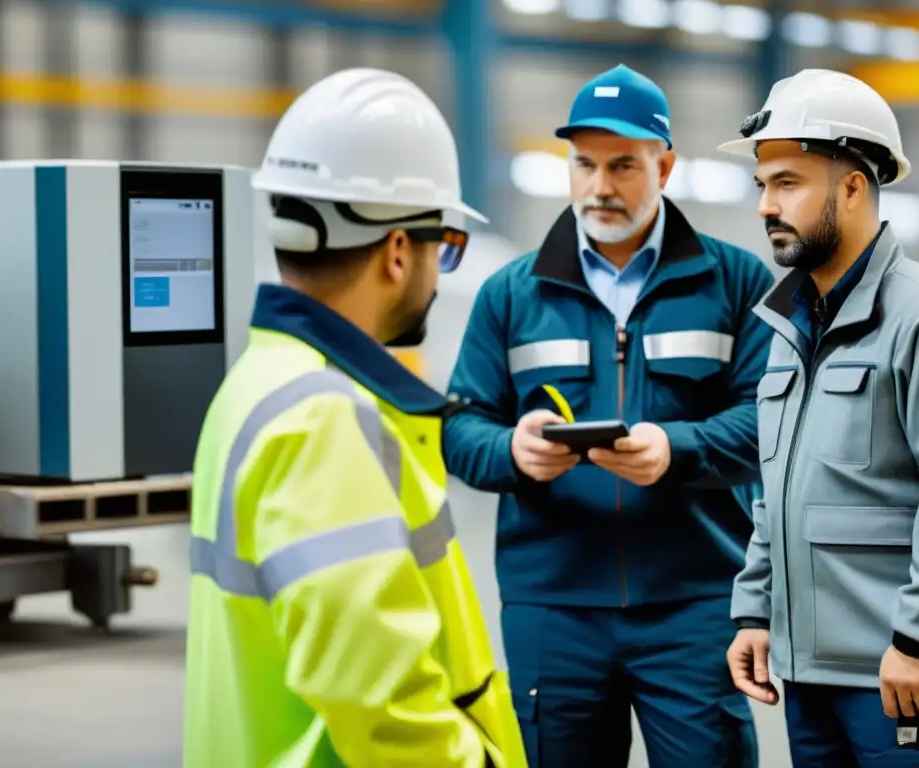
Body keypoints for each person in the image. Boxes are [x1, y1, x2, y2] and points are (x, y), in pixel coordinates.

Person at [182, 67, 527, 768]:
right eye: (444, 246)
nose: (439, 271)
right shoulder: (321, 421)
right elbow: (382, 702)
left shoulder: (256, 384)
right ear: (398, 251)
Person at [443, 63, 774, 768]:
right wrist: (513, 452)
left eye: (624, 165)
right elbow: (461, 426)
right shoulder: (510, 293)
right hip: (553, 607)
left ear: (666, 166)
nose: (600, 186)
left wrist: (676, 448)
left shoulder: (737, 282)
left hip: (693, 603)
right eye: (584, 164)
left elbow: (769, 423)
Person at [722, 68, 919, 767]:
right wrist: (756, 609)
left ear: (853, 186)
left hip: (904, 679)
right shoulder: (790, 326)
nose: (767, 204)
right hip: (809, 675)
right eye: (762, 184)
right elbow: (778, 488)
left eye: (788, 183)